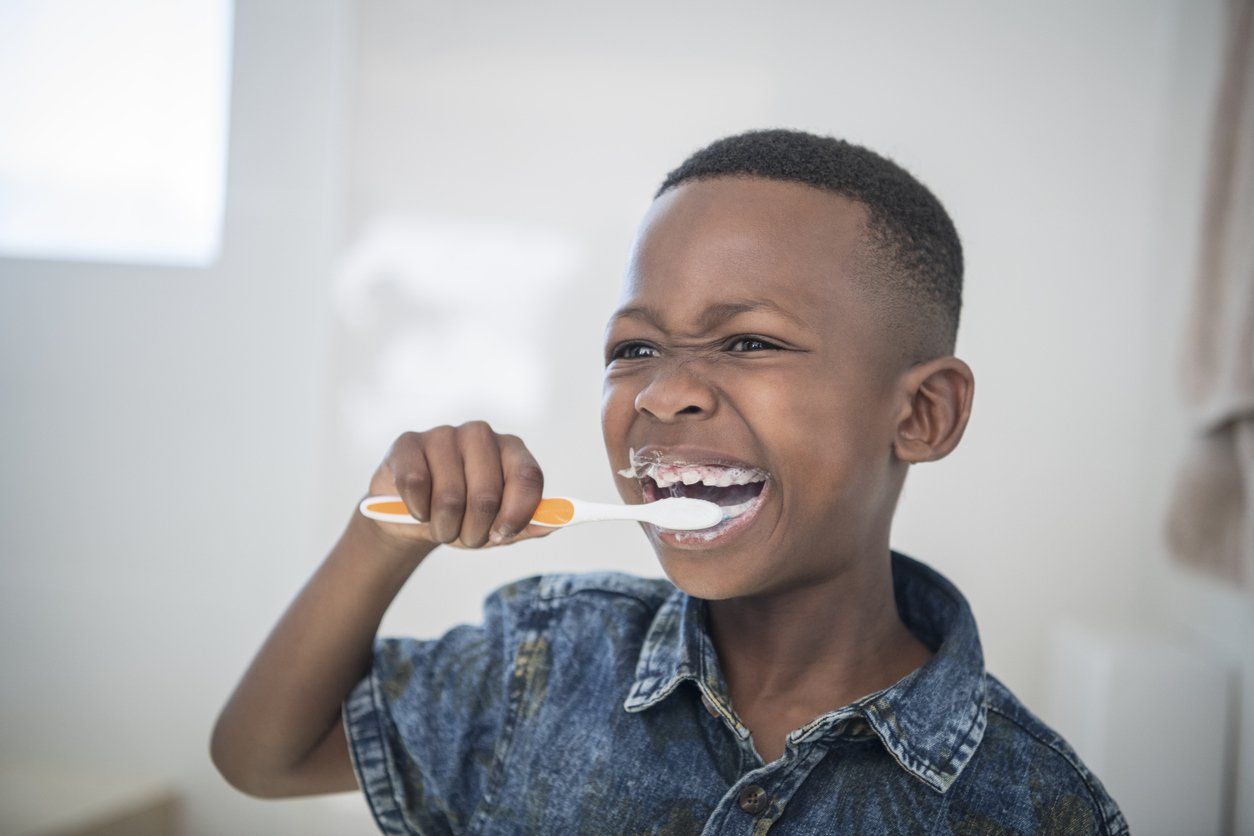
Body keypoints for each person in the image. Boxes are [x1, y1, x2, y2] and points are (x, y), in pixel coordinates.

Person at [211, 128, 1129, 834]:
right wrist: (386, 535)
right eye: (634, 348)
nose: (664, 391)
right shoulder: (544, 660)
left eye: (750, 342)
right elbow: (265, 757)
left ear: (922, 415)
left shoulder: (1036, 807)